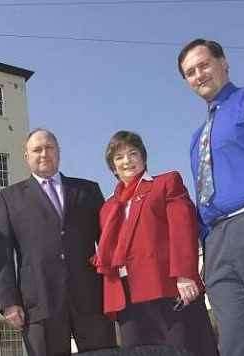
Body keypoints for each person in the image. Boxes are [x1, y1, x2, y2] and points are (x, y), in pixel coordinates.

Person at [178, 38, 244, 356]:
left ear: (223, 63)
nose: (199, 75)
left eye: (204, 65)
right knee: (236, 341)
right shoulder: (196, 139)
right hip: (218, 242)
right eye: (190, 72)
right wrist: (206, 249)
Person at [0, 128, 117, 356]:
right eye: (37, 149)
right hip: (39, 303)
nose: (44, 154)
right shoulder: (8, 198)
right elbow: (2, 254)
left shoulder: (88, 190)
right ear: (26, 156)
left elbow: (109, 243)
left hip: (90, 298)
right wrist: (9, 301)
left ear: (58, 152)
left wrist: (117, 287)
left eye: (49, 148)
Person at [93, 130, 218, 356]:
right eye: (119, 157)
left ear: (143, 157)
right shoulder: (107, 208)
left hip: (166, 288)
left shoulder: (166, 183)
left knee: (183, 350)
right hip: (126, 298)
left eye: (133, 153)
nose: (127, 161)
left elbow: (183, 229)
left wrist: (185, 274)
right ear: (112, 166)